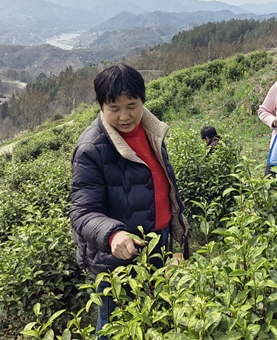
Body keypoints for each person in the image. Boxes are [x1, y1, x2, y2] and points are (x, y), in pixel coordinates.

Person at [69, 63, 188, 338]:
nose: (125, 116)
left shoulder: (151, 130)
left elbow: (164, 187)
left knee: (154, 311)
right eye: (114, 109)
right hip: (116, 255)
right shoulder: (91, 148)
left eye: (132, 106)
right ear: (101, 106)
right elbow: (82, 211)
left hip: (157, 241)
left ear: (142, 101)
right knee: (115, 324)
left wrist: (176, 236)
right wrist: (113, 235)